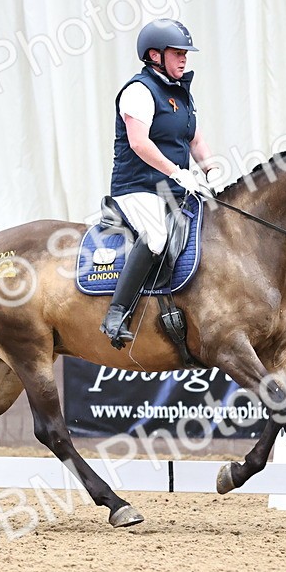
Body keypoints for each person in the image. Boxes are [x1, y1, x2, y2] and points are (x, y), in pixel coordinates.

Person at [100, 18, 220, 348]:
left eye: (186, 53)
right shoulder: (138, 91)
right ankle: (115, 313)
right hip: (137, 186)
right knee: (155, 236)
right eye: (177, 53)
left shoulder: (181, 95)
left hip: (174, 190)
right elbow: (139, 143)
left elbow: (195, 141)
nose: (184, 59)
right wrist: (176, 172)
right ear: (155, 55)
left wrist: (211, 170)